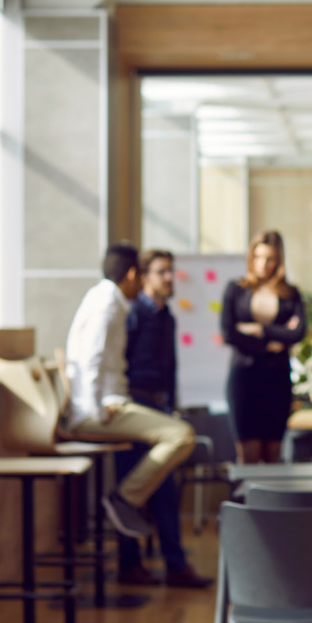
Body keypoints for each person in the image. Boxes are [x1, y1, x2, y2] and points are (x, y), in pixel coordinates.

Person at [61, 243, 195, 540]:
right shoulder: (107, 305)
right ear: (134, 274)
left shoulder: (106, 300)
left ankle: (126, 501)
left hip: (108, 404)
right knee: (181, 435)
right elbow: (91, 361)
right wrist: (99, 410)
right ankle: (124, 499)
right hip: (93, 412)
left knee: (177, 438)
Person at [114, 248, 212, 588]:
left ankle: (175, 566)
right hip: (134, 409)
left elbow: (170, 369)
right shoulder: (132, 314)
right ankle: (129, 565)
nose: (170, 278)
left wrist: (172, 406)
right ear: (143, 277)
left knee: (164, 490)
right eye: (162, 272)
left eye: (171, 271)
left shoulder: (167, 316)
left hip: (159, 409)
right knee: (129, 491)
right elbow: (121, 362)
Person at [221, 231, 307, 465]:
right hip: (244, 379)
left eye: (269, 258)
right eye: (258, 257)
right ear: (251, 257)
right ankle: (244, 501)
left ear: (278, 260)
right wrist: (273, 341)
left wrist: (259, 330)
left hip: (277, 379)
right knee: (248, 455)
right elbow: (228, 333)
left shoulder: (291, 293)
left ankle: (271, 502)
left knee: (273, 455)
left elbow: (298, 333)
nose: (263, 264)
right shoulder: (236, 289)